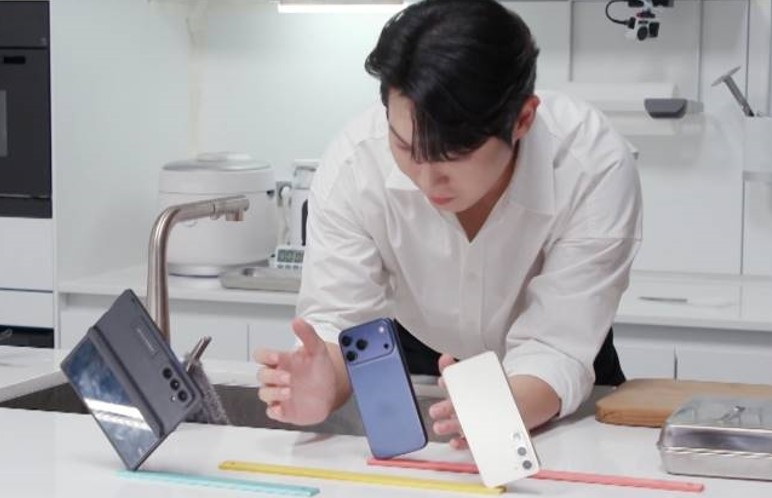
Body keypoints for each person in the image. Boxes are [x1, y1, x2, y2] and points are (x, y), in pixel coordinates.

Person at [254, 0, 642, 448]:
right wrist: (326, 381)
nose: (425, 177)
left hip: (558, 389)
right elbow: (343, 321)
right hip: (425, 365)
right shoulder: (355, 165)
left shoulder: (591, 165)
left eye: (452, 155)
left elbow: (558, 347)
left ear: (522, 119)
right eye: (405, 146)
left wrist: (506, 407)